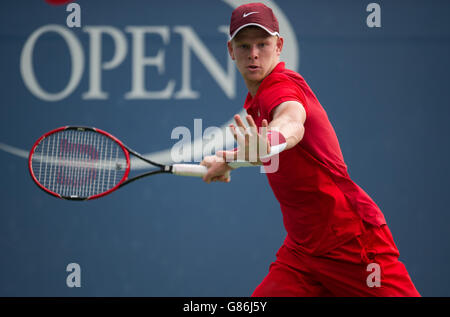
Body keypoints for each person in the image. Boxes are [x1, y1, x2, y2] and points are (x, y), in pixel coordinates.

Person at [200, 2, 420, 296]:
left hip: (351, 244)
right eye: (244, 45)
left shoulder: (282, 86)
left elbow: (291, 123)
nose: (253, 54)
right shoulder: (255, 101)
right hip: (302, 253)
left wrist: (267, 143)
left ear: (279, 45)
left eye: (263, 44)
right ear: (231, 51)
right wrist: (230, 161)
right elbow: (267, 146)